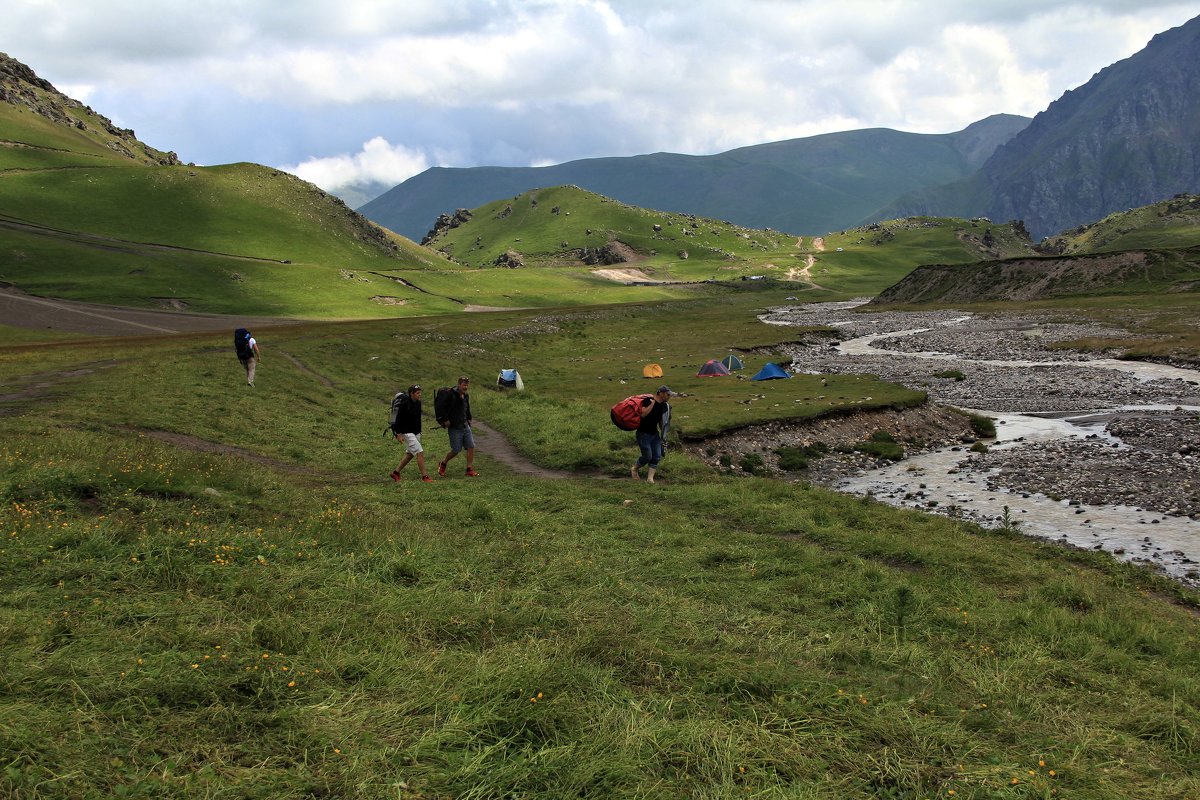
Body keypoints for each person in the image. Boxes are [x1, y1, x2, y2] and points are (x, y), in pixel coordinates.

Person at [436, 376, 479, 477]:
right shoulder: (451, 395)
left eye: (467, 385)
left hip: (465, 425)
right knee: (456, 450)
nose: (466, 387)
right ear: (459, 384)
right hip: (455, 427)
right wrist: (445, 420)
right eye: (464, 385)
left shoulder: (465, 395)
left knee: (471, 446)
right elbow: (441, 407)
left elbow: (466, 407)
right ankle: (443, 463)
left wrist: (469, 417)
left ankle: (469, 469)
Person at [390, 384, 433, 483]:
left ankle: (396, 473)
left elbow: (417, 418)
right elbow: (399, 419)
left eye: (420, 392)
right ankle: (425, 476)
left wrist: (419, 431)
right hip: (407, 432)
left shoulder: (418, 403)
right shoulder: (404, 403)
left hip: (416, 432)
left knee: (409, 454)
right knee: (419, 452)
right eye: (417, 393)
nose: (420, 395)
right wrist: (398, 434)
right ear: (411, 394)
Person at [631, 385, 672, 483]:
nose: (669, 396)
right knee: (647, 456)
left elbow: (660, 422)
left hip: (655, 435)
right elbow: (643, 414)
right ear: (661, 393)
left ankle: (650, 479)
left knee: (657, 456)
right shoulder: (647, 400)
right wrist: (652, 403)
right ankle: (634, 468)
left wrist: (664, 434)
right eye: (667, 394)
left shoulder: (663, 406)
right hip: (643, 434)